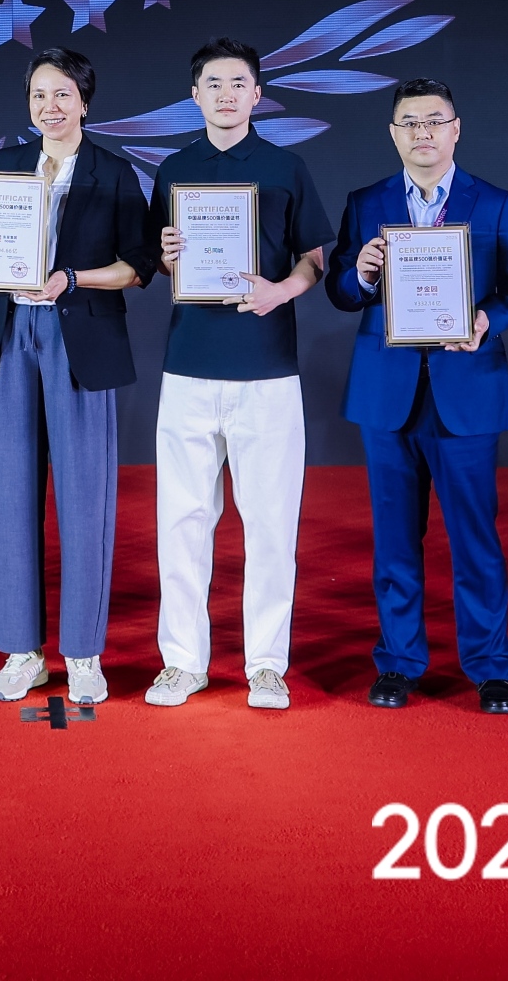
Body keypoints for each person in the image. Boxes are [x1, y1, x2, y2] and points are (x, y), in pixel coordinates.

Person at [323, 78, 508, 714]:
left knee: (475, 538)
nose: (423, 132)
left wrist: (486, 320)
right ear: (393, 134)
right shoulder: (366, 202)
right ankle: (398, 662)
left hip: (466, 386)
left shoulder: (494, 203)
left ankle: (491, 668)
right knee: (394, 540)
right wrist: (361, 274)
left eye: (434, 121)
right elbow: (340, 290)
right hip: (387, 391)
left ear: (455, 129)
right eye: (410, 123)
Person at [0, 46, 156, 707]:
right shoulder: (4, 167)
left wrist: (72, 277)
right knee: (8, 492)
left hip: (80, 336)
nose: (50, 106)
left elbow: (138, 268)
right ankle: (22, 652)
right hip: (10, 332)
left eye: (63, 94)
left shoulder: (112, 172)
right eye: (39, 95)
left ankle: (84, 653)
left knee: (85, 496)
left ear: (85, 102)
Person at [144, 38, 331, 712]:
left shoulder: (285, 167)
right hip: (189, 366)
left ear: (257, 94)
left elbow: (314, 260)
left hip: (267, 368)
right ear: (194, 95)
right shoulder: (174, 169)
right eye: (213, 83)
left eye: (238, 83)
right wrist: (168, 257)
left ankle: (266, 665)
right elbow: (161, 263)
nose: (226, 94)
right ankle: (182, 662)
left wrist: (280, 291)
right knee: (182, 521)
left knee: (272, 523)